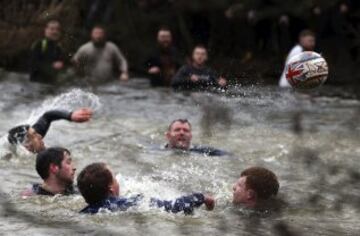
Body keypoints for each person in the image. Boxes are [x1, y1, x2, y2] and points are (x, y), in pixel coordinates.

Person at [77, 162, 215, 214]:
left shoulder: (84, 212)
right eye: (114, 178)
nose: (118, 180)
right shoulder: (132, 203)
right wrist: (201, 197)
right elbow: (171, 206)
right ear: (111, 189)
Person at [7, 108, 92, 154]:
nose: (40, 136)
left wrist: (70, 115)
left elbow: (48, 116)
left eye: (36, 132)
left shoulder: (35, 137)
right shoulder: (21, 158)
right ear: (27, 145)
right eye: (34, 134)